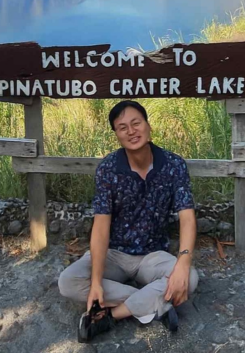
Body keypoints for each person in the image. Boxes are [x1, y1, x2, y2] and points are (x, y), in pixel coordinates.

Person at [58, 100, 199, 343]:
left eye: (136, 123)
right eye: (123, 127)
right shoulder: (109, 169)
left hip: (152, 256)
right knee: (68, 282)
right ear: (116, 135)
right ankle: (155, 303)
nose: (131, 131)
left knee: (191, 278)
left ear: (148, 125)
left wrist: (184, 262)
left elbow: (187, 216)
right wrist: (95, 283)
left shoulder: (174, 165)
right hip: (114, 254)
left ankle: (111, 315)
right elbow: (101, 227)